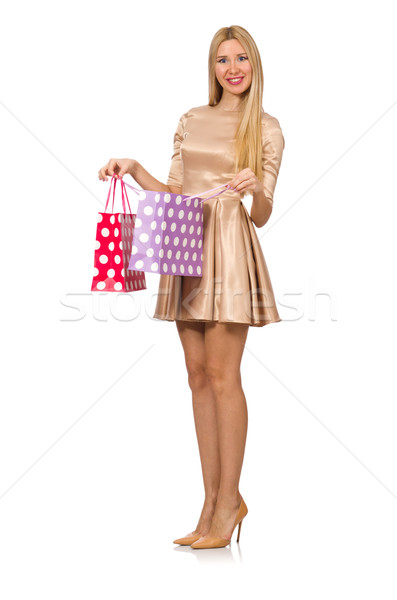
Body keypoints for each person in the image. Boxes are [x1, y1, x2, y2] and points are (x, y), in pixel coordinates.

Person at [98, 25, 285, 549]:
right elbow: (176, 192)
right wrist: (135, 169)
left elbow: (264, 214)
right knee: (197, 376)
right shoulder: (191, 119)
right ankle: (210, 504)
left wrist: (253, 188)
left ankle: (230, 502)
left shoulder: (265, 128)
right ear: (213, 67)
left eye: (241, 58)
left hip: (229, 246)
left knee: (225, 375)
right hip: (185, 247)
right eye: (222, 59)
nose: (232, 68)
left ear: (255, 65)